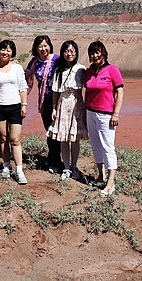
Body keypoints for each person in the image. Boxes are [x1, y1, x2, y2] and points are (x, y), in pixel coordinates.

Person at [84, 40, 124, 197]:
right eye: (92, 53)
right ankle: (101, 175)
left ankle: (110, 182)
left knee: (108, 147)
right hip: (90, 113)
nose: (95, 55)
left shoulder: (112, 70)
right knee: (95, 145)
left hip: (106, 115)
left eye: (97, 52)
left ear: (104, 53)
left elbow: (120, 92)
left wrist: (116, 113)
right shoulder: (89, 71)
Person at [0, 39, 29, 185]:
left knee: (15, 139)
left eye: (9, 50)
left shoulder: (17, 68)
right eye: (3, 49)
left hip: (15, 107)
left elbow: (23, 87)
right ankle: (6, 166)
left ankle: (19, 170)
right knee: (3, 138)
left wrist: (24, 104)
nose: (5, 52)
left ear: (12, 53)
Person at [48, 40, 88, 181]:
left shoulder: (81, 69)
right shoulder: (58, 71)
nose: (69, 54)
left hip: (77, 105)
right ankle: (66, 167)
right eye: (66, 51)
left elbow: (87, 88)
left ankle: (74, 166)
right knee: (63, 139)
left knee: (75, 138)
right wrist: (53, 108)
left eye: (72, 51)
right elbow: (55, 92)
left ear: (76, 52)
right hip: (62, 105)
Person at [25, 35, 63, 173]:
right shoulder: (35, 62)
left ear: (50, 46)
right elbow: (27, 78)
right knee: (49, 131)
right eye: (40, 46)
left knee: (58, 131)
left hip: (59, 102)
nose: (43, 48)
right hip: (44, 102)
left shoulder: (57, 60)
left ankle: (56, 160)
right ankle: (54, 158)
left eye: (45, 45)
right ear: (36, 48)